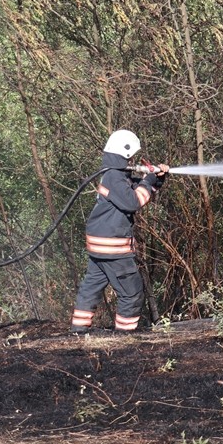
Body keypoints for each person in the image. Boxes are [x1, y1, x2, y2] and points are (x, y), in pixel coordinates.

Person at [70, 129, 169, 335]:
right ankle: (125, 336)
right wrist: (149, 180)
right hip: (112, 247)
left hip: (99, 246)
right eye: (131, 156)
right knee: (132, 293)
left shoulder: (114, 175)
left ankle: (78, 330)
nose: (133, 159)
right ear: (124, 154)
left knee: (91, 287)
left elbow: (137, 188)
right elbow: (132, 202)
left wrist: (156, 180)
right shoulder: (114, 177)